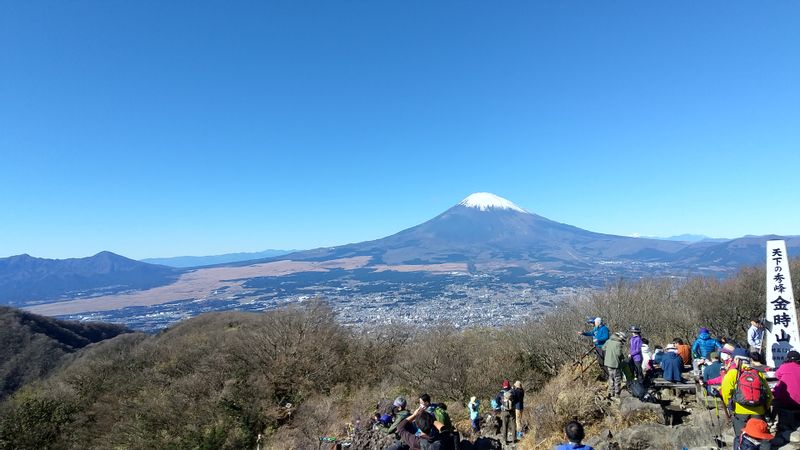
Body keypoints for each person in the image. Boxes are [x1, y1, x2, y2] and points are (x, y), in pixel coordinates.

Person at [721, 348, 772, 450]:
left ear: (736, 360)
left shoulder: (732, 374)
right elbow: (769, 394)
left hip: (740, 410)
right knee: (760, 437)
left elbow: (725, 392)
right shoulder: (758, 373)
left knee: (739, 436)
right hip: (758, 410)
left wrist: (730, 406)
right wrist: (765, 407)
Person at [773, 350, 800, 437]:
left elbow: (776, 375)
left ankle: (772, 421)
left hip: (784, 402)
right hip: (798, 402)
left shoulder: (784, 366)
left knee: (775, 400)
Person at [603, 331, 625, 399]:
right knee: (617, 378)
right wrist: (623, 357)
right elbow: (619, 354)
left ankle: (610, 392)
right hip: (615, 363)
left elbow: (603, 348)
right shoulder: (618, 343)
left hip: (608, 362)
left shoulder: (608, 341)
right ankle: (617, 393)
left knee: (611, 377)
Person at [496, 380, 516, 444]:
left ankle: (505, 440)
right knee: (513, 425)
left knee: (504, 425)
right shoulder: (513, 392)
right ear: (509, 385)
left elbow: (497, 401)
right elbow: (516, 399)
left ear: (503, 385)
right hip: (512, 411)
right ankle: (514, 440)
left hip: (504, 411)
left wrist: (501, 404)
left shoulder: (500, 393)